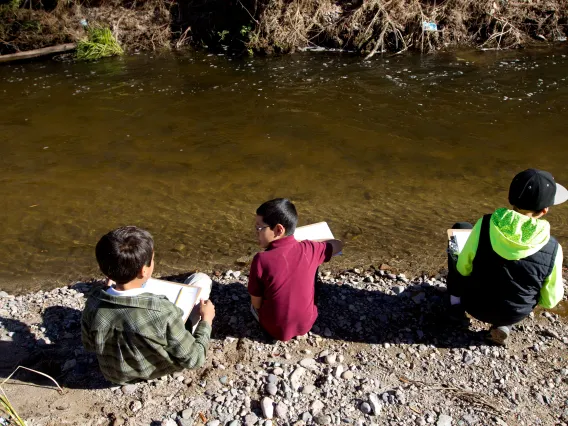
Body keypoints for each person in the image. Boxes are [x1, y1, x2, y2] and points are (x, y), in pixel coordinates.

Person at [81, 226, 215, 384]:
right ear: (144, 271)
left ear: (106, 271)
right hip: (157, 368)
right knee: (201, 280)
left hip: (114, 375)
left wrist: (108, 288)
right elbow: (195, 359)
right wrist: (207, 320)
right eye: (152, 259)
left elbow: (89, 345)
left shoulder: (93, 302)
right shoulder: (163, 311)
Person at [447, 169, 567, 345]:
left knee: (459, 229)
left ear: (511, 198)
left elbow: (463, 268)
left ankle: (455, 305)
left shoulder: (485, 224)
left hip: (474, 303)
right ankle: (503, 325)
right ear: (545, 210)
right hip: (514, 313)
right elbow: (550, 301)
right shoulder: (553, 248)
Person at [247, 198, 344, 341]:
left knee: (252, 305)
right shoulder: (310, 249)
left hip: (275, 329)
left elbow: (256, 303)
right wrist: (309, 243)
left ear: (279, 229)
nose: (256, 232)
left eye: (259, 228)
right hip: (306, 324)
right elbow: (337, 245)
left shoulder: (261, 259)